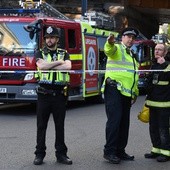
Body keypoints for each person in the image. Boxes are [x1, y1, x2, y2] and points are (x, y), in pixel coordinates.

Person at [33, 26, 72, 165]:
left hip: (59, 95)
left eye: (52, 37)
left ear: (57, 39)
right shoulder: (39, 52)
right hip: (44, 94)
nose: (49, 40)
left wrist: (51, 65)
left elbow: (68, 67)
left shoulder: (64, 53)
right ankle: (39, 154)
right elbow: (41, 67)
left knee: (59, 126)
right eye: (47, 38)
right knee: (41, 126)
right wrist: (59, 63)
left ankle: (61, 155)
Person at [102, 27, 139, 164]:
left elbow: (134, 76)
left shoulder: (132, 55)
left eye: (133, 37)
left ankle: (120, 150)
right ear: (122, 38)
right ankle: (109, 151)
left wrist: (135, 93)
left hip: (126, 93)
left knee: (124, 123)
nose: (130, 39)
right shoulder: (117, 48)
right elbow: (108, 50)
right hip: (113, 89)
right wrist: (110, 43)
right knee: (114, 120)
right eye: (128, 36)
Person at [144, 43, 170, 162]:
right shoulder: (153, 65)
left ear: (165, 53)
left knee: (163, 128)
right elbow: (150, 83)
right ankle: (156, 149)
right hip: (152, 102)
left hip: (164, 104)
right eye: (155, 49)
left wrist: (163, 64)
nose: (157, 51)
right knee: (153, 128)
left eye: (160, 50)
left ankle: (166, 152)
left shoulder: (167, 65)